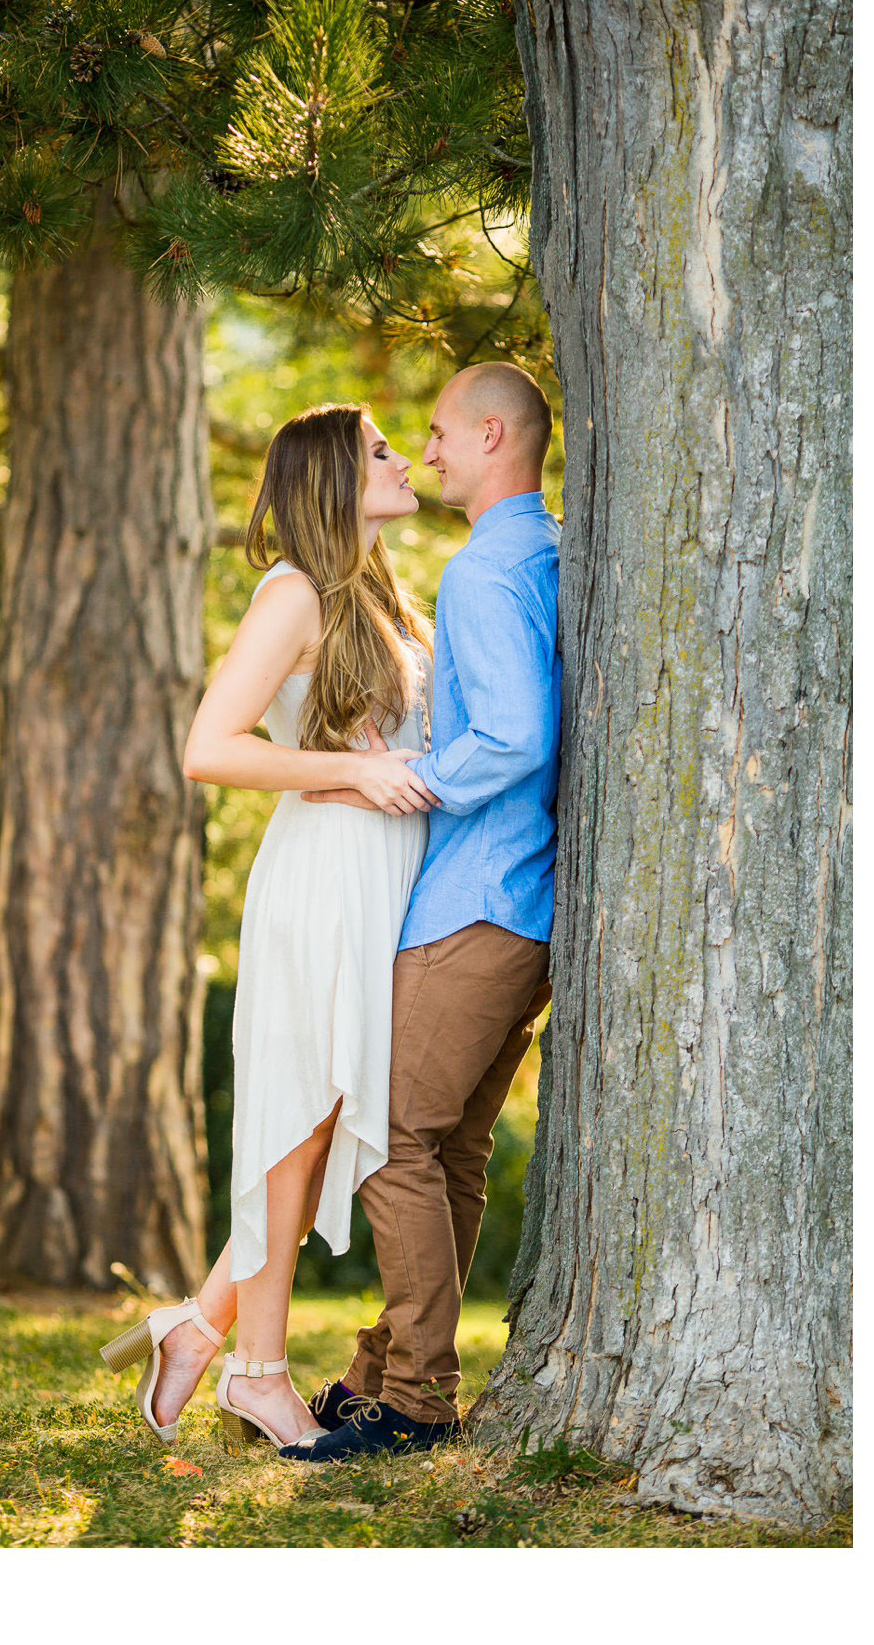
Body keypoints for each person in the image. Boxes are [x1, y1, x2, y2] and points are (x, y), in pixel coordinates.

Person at [99, 403, 436, 1451]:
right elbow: (209, 745)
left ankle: (198, 1324)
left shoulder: (374, 589)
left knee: (325, 1112)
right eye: (377, 448)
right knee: (301, 1112)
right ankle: (259, 1371)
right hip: (324, 877)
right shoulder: (293, 589)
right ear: (335, 478)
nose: (398, 458)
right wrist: (352, 767)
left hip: (380, 875)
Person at [279, 360, 561, 1462]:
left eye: (440, 433)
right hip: (521, 901)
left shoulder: (487, 572)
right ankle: (379, 1373)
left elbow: (518, 739)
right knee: (448, 1149)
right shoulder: (547, 547)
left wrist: (413, 776)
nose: (429, 451)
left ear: (493, 435)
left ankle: (418, 1399)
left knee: (394, 1137)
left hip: (477, 898)